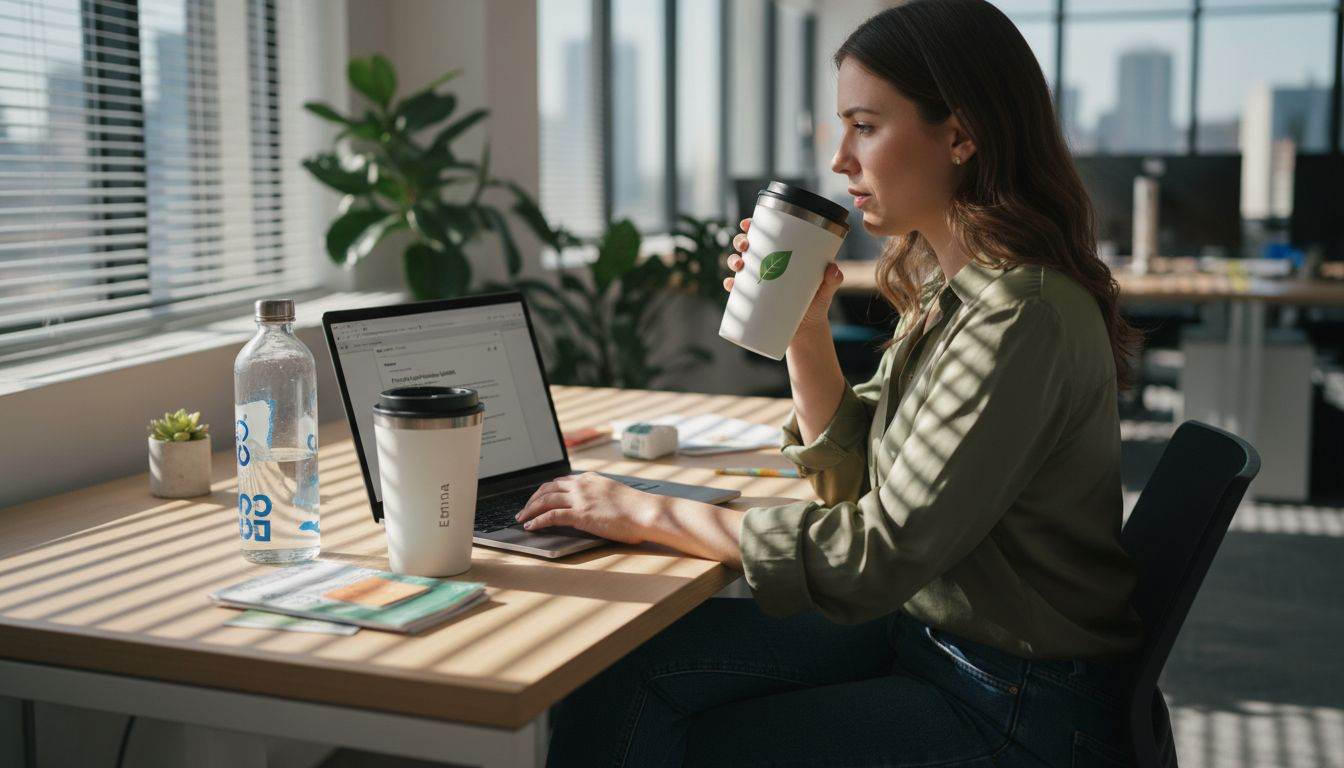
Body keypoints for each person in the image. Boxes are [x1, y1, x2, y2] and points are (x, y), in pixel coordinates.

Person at [516, 1, 1145, 765]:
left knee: (695, 742)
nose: (840, 160)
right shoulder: (959, 293)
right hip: (936, 639)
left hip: (1012, 702)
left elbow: (870, 556)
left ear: (960, 134)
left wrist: (640, 509)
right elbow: (854, 480)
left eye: (866, 126)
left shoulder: (1019, 318)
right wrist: (804, 332)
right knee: (625, 672)